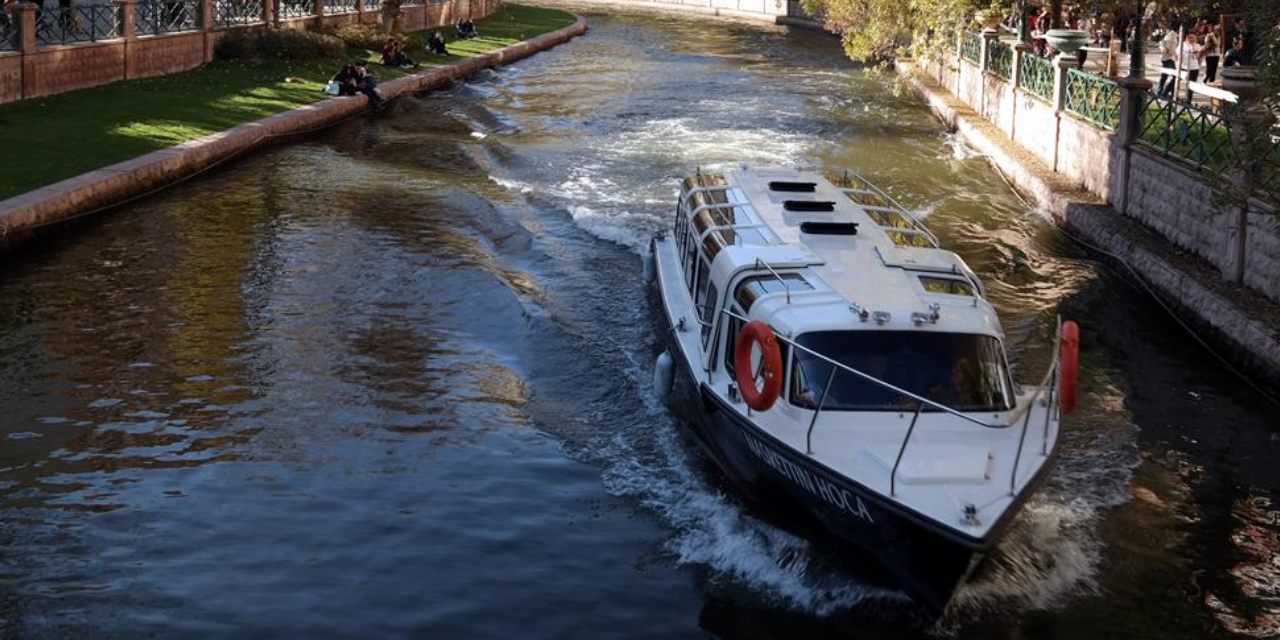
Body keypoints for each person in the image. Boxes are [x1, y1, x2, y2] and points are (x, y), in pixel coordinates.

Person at [1177, 30, 1203, 101]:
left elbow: (1197, 56)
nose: (1193, 39)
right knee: (1177, 81)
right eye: (1191, 37)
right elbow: (1178, 55)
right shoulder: (1182, 45)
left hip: (1194, 68)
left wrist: (1193, 47)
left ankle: (1188, 100)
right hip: (1184, 67)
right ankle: (1175, 95)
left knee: (1192, 84)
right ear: (1187, 37)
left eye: (1194, 37)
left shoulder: (1197, 45)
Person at [1157, 27, 1179, 98]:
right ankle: (1164, 92)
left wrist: (1175, 56)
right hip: (1167, 60)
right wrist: (1166, 48)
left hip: (1170, 59)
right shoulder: (1164, 41)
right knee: (1173, 76)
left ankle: (1163, 92)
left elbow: (1173, 51)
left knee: (1165, 76)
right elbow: (1164, 51)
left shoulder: (1173, 40)